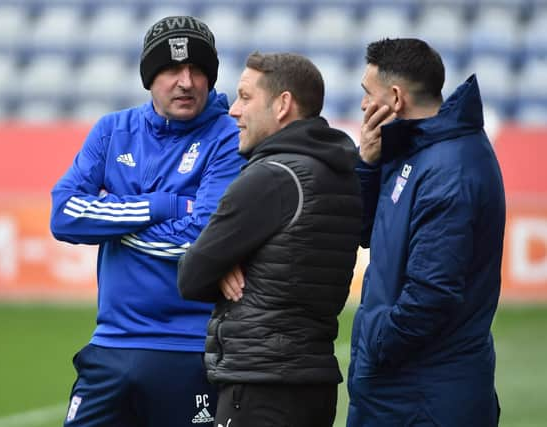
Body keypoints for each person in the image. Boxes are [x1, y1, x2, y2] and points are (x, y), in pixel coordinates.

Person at [50, 15, 245, 427]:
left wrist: (113, 219)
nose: (186, 81)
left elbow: (201, 240)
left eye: (197, 71)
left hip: (190, 349)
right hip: (111, 345)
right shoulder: (112, 131)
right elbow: (64, 214)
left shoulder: (228, 136)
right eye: (172, 69)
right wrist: (160, 206)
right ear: (149, 77)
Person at [177, 52, 362, 427]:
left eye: (245, 97)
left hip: (261, 385)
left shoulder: (272, 176)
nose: (232, 110)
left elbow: (191, 275)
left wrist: (222, 263)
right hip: (313, 384)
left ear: (282, 105)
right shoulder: (338, 171)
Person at [346, 38, 505, 426]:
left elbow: (431, 295)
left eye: (369, 94)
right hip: (404, 388)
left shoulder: (449, 169)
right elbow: (367, 231)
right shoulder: (417, 151)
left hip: (422, 396)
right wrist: (367, 163)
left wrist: (376, 342)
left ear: (395, 97)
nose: (365, 105)